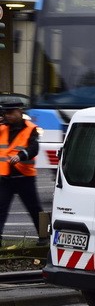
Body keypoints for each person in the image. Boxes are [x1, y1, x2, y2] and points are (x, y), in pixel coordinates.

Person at [0, 100, 45, 244]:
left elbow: (34, 148)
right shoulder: (2, 128)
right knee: (1, 208)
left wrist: (21, 156)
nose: (9, 116)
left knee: (35, 209)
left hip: (25, 177)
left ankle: (45, 237)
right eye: (6, 113)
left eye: (11, 113)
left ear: (20, 111)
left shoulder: (31, 129)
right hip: (6, 177)